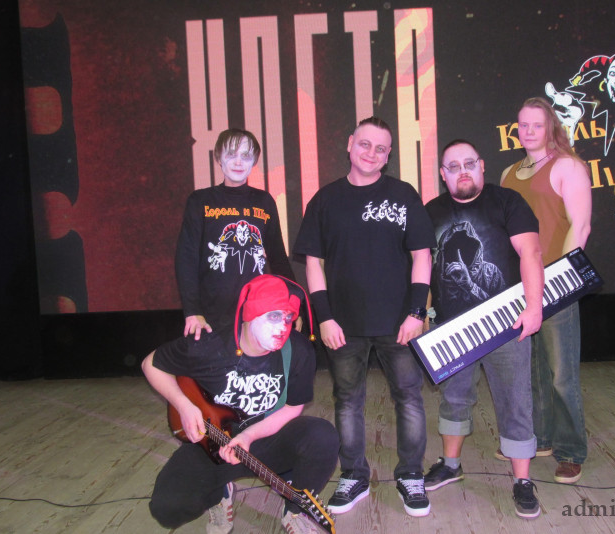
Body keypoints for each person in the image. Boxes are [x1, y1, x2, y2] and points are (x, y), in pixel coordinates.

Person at [292, 117, 436, 517]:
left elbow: (422, 256)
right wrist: (324, 317)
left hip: (399, 324)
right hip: (343, 327)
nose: (372, 153)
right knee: (347, 401)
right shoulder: (325, 200)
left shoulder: (404, 195)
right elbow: (313, 264)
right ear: (350, 144)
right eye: (365, 144)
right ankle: (354, 475)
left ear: (388, 156)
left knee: (409, 398)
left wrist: (417, 312)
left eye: (381, 148)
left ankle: (411, 475)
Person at [142, 275, 339, 534]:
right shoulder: (210, 345)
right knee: (167, 508)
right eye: (273, 316)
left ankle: (295, 510)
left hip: (265, 436)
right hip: (212, 442)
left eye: (288, 317)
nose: (283, 327)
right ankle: (219, 494)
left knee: (323, 436)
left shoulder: (298, 350)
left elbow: (293, 408)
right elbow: (150, 364)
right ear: (250, 314)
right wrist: (183, 405)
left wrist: (248, 436)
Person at [421, 139, 545, 518]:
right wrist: (421, 315)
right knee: (454, 398)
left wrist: (534, 306)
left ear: (482, 165)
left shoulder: (507, 202)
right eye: (453, 166)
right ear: (443, 174)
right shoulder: (431, 212)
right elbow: (421, 267)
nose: (462, 171)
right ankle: (450, 464)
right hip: (452, 328)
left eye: (469, 163)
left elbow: (530, 253)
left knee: (515, 400)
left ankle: (522, 480)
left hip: (506, 324)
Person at [500, 97, 592, 484]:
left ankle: (571, 451)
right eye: (523, 125)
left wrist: (559, 280)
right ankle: (542, 438)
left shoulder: (568, 166)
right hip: (518, 289)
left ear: (551, 126)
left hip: (555, 284)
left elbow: (580, 226)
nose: (529, 131)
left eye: (537, 124)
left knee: (561, 375)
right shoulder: (508, 173)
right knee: (532, 373)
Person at [176, 128, 296, 340]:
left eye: (246, 156)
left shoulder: (264, 201)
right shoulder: (200, 201)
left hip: (257, 311)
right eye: (231, 154)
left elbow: (278, 257)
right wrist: (192, 311)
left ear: (255, 160)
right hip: (211, 312)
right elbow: (186, 258)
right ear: (218, 157)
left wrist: (293, 304)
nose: (238, 162)